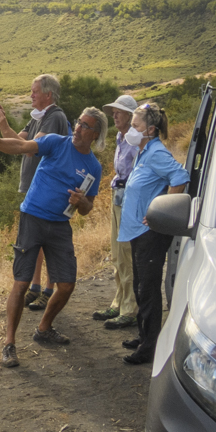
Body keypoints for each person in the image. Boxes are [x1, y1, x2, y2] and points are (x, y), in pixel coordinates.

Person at [0, 106, 106, 369]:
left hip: (59, 226)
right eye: (78, 122)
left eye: (85, 126)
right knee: (21, 284)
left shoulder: (93, 167)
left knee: (66, 285)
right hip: (32, 218)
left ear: (96, 134)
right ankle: (9, 345)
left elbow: (88, 210)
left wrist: (81, 202)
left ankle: (44, 328)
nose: (78, 128)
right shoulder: (56, 143)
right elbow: (21, 147)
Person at [116, 101, 190, 366]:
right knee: (140, 285)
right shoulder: (143, 152)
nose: (130, 130)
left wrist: (163, 210)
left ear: (150, 129)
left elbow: (180, 177)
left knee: (147, 288)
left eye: (135, 125)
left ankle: (150, 347)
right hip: (139, 230)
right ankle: (144, 335)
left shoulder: (157, 153)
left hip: (151, 232)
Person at [0, 74, 72, 309]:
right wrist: (3, 126)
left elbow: (30, 151)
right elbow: (17, 143)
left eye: (35, 91)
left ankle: (49, 290)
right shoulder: (38, 118)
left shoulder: (54, 117)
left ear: (48, 94)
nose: (31, 95)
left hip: (48, 190)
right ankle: (37, 287)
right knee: (35, 240)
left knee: (48, 239)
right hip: (35, 188)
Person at [93, 93, 140, 330]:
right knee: (116, 252)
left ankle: (129, 308)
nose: (114, 115)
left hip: (129, 200)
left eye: (118, 112)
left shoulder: (135, 140)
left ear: (131, 116)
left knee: (125, 254)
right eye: (114, 111)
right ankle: (119, 301)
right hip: (118, 197)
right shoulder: (122, 138)